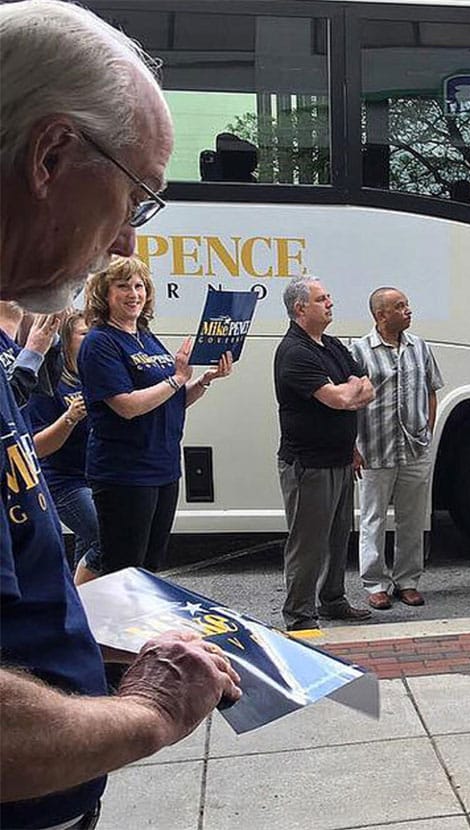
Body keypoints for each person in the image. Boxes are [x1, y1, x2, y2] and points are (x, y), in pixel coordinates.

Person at [0, 3, 240, 826]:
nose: (125, 247)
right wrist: (151, 713)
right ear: (52, 154)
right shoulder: (95, 341)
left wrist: (84, 643)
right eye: (137, 198)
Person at [78, 257, 232, 577]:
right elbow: (127, 406)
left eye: (139, 286)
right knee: (124, 572)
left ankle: (146, 628)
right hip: (125, 473)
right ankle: (113, 627)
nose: (134, 293)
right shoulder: (100, 342)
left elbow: (172, 401)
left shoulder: (145, 335)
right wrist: (176, 378)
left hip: (163, 468)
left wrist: (203, 381)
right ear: (104, 294)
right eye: (123, 286)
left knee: (150, 568)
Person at [274, 276, 376, 631]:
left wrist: (351, 442)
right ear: (300, 308)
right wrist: (349, 390)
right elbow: (341, 398)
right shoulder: (295, 352)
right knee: (308, 544)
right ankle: (300, 616)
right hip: (309, 465)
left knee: (337, 536)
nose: (330, 302)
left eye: (329, 297)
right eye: (322, 298)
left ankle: (332, 600)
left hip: (341, 459)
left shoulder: (330, 345)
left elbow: (368, 387)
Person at [350, 287, 444, 610]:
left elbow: (432, 391)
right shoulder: (359, 350)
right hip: (376, 446)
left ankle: (407, 581)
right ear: (381, 315)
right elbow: (350, 401)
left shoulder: (420, 347)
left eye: (407, 304)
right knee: (373, 518)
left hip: (415, 447)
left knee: (413, 517)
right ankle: (375, 583)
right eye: (399, 306)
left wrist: (427, 431)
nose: (408, 310)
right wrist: (353, 446)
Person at [26, 312, 100, 578]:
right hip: (64, 482)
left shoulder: (97, 376)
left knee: (88, 546)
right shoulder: (51, 384)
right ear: (67, 341)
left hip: (97, 478)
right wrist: (69, 418)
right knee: (106, 538)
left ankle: (85, 609)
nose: (92, 340)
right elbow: (36, 447)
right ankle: (76, 607)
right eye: (84, 334)